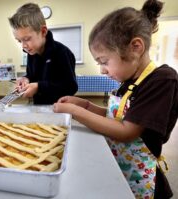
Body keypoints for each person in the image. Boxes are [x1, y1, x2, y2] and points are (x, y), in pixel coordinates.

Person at [53, 0, 178, 198]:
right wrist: (84, 104)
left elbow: (127, 130)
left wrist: (76, 112)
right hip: (119, 167)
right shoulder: (129, 79)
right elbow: (117, 116)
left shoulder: (162, 79)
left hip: (143, 180)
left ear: (136, 47)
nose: (102, 70)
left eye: (104, 61)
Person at [9, 3, 78, 104]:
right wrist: (26, 79)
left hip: (60, 108)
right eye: (19, 41)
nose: (23, 46)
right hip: (39, 106)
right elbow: (33, 76)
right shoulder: (31, 53)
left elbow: (71, 87)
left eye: (27, 39)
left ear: (43, 31)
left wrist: (38, 87)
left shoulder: (62, 52)